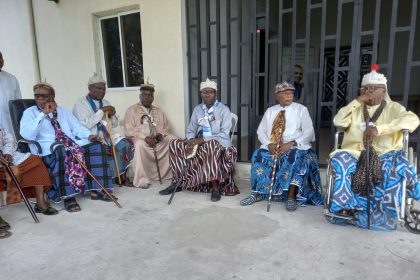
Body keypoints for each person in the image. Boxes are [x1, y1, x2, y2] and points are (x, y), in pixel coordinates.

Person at [328, 64, 420, 230]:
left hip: (385, 152)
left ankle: (387, 211)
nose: (368, 92)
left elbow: (412, 120)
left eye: (373, 88)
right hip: (355, 152)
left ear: (383, 91)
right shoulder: (356, 108)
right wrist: (357, 101)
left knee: (393, 168)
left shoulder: (393, 108)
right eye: (365, 88)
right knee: (340, 160)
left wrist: (379, 129)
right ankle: (346, 208)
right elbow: (338, 121)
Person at [20, 82, 116, 213]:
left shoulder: (62, 111)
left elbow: (76, 127)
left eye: (44, 96)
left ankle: (97, 190)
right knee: (62, 150)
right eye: (37, 96)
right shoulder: (29, 113)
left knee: (96, 145)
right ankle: (68, 196)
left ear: (52, 96)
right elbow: (27, 135)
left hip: (69, 143)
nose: (40, 98)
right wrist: (42, 114)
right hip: (48, 148)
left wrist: (89, 136)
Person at [240, 81, 323, 211]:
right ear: (277, 95)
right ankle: (257, 193)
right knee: (258, 155)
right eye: (284, 93)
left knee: (295, 156)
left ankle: (291, 196)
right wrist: (269, 144)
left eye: (290, 93)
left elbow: (309, 131)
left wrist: (292, 143)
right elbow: (261, 131)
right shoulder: (270, 111)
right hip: (274, 145)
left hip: (295, 145)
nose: (289, 96)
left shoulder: (301, 110)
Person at [159, 78, 239, 202]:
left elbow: (224, 134)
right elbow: (191, 129)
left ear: (215, 94)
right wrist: (191, 139)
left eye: (210, 92)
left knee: (211, 146)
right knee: (174, 143)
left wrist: (203, 139)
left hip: (218, 141)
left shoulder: (224, 110)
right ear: (201, 94)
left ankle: (215, 186)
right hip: (198, 140)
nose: (207, 94)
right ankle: (177, 182)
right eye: (204, 92)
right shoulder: (198, 109)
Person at [72, 73, 134, 186]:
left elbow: (114, 124)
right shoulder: (80, 104)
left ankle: (120, 175)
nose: (102, 91)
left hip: (107, 134)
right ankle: (105, 178)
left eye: (104, 89)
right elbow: (85, 125)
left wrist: (112, 115)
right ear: (90, 88)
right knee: (100, 147)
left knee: (124, 144)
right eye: (98, 88)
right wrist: (101, 111)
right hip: (91, 135)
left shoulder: (106, 102)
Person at [0, 126, 58, 239]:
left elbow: (8, 139)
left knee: (35, 161)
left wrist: (8, 153)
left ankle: (41, 203)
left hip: (5, 157)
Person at [124, 82, 177, 188]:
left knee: (174, 139)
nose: (148, 97)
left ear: (153, 97)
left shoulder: (158, 111)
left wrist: (160, 135)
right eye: (145, 95)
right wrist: (145, 138)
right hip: (142, 141)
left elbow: (167, 127)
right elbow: (129, 130)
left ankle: (173, 173)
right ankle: (141, 179)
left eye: (150, 95)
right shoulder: (131, 110)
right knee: (139, 145)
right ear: (140, 96)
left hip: (157, 141)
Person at [0, 51, 22, 137]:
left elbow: (18, 102)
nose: (0, 60)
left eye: (1, 57)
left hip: (9, 124)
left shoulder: (11, 78)